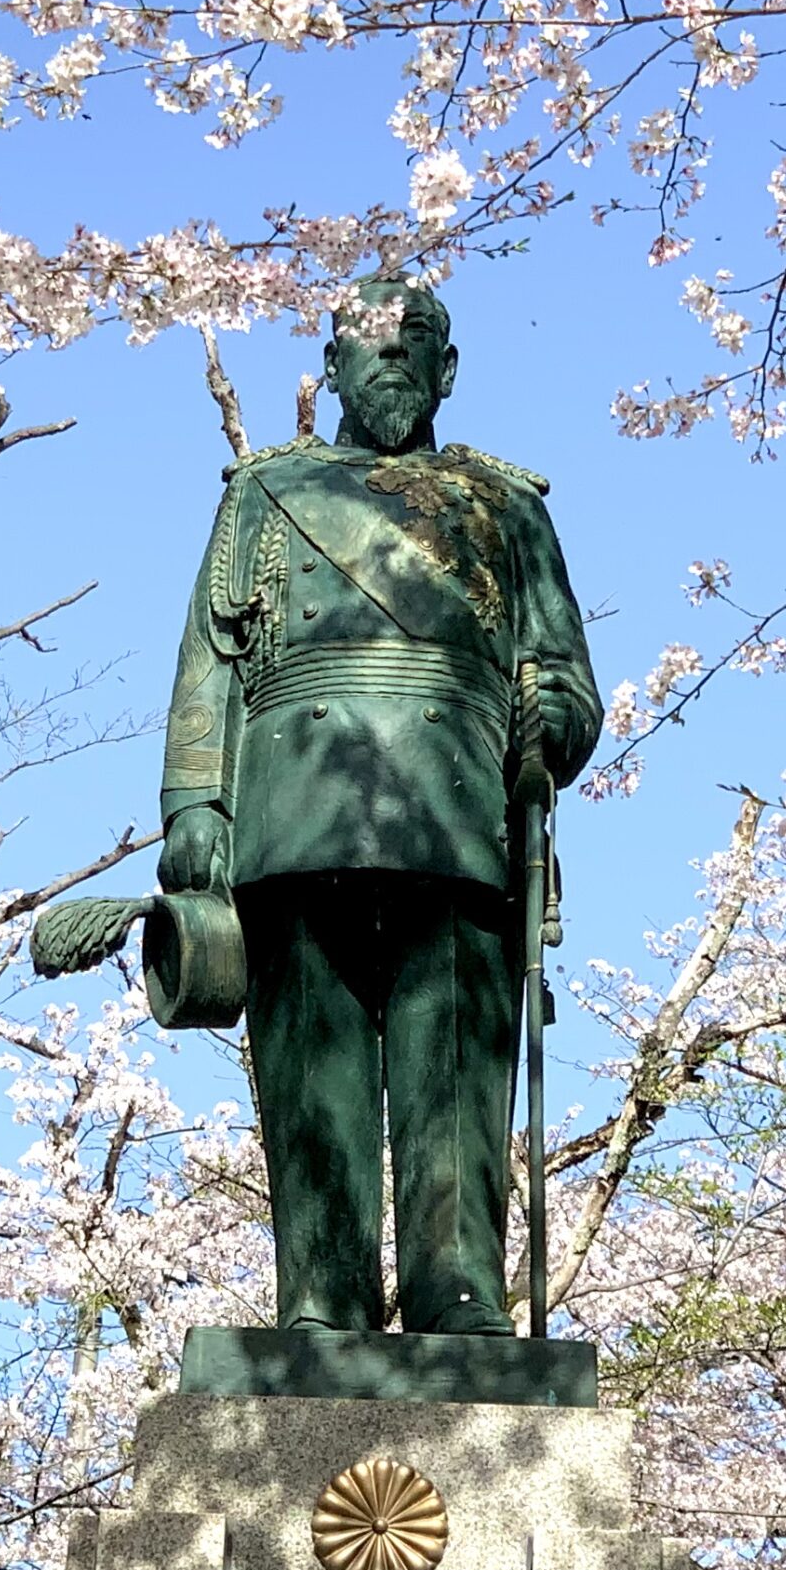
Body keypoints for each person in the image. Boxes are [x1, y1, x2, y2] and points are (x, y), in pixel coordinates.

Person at [158, 278, 601, 1335]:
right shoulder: (264, 493)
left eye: (416, 345)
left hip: (459, 817)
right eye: (371, 344)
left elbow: (565, 670)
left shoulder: (509, 507)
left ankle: (457, 1288)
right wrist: (193, 802)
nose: (392, 360)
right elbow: (208, 660)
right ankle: (324, 1290)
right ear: (330, 366)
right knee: (313, 1064)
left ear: (447, 371)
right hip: (294, 809)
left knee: (453, 1063)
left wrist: (555, 715)